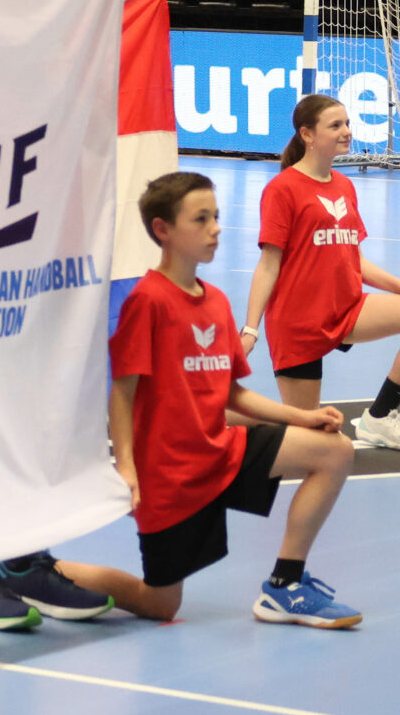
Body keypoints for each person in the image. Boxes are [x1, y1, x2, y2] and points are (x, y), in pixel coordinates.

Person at [38, 170, 366, 632]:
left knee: (334, 452)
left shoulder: (215, 301)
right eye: (201, 219)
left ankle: (285, 585)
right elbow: (122, 393)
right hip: (172, 474)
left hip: (221, 451)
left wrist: (302, 416)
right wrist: (127, 467)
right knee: (160, 604)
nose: (216, 228)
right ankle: (35, 569)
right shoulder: (147, 302)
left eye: (216, 216)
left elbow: (232, 392)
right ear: (163, 230)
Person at [245, 94, 400, 452]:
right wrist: (251, 329)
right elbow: (268, 265)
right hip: (299, 322)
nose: (346, 131)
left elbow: (355, 260)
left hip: (346, 308)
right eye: (335, 125)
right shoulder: (282, 189)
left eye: (346, 123)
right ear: (307, 134)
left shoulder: (344, 186)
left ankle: (380, 418)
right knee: (313, 440)